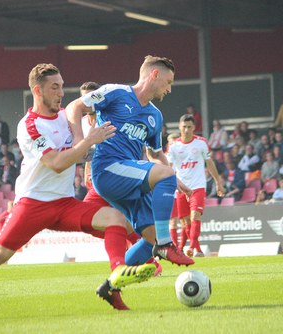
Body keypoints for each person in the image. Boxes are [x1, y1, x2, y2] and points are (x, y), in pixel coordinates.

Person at [0, 63, 156, 322]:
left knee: (116, 219)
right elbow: (56, 163)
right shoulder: (30, 125)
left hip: (65, 204)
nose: (61, 93)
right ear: (38, 90)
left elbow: (90, 127)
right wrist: (89, 141)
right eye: (54, 88)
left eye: (62, 87)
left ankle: (117, 275)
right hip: (33, 204)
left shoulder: (67, 117)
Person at [66, 55, 194, 268]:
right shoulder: (116, 92)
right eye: (168, 82)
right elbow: (75, 106)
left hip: (130, 178)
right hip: (107, 169)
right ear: (154, 74)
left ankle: (114, 280)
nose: (169, 89)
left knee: (149, 239)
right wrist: (80, 140)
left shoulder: (155, 116)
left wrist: (174, 178)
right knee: (158, 238)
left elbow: (155, 154)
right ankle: (166, 244)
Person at [167, 114, 224, 257]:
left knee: (195, 216)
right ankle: (197, 249)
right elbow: (169, 167)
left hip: (198, 186)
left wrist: (218, 182)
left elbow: (209, 163)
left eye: (189, 127)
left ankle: (191, 246)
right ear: (179, 127)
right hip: (181, 188)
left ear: (194, 128)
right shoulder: (173, 146)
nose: (186, 130)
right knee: (185, 221)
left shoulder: (201, 143)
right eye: (184, 127)